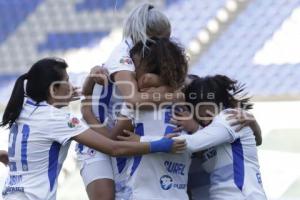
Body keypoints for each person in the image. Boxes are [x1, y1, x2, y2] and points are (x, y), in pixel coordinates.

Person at [0, 57, 186, 200]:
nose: (72, 85)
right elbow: (114, 148)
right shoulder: (57, 119)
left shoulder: (23, 106)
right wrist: (161, 145)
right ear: (53, 90)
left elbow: (31, 148)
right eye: (66, 80)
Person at [78, 3, 182, 200]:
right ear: (146, 35)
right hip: (96, 136)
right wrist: (175, 94)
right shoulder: (122, 55)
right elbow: (134, 99)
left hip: (122, 132)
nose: (165, 45)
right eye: (162, 39)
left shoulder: (144, 53)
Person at [133, 75, 267, 199]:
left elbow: (192, 143)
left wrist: (140, 141)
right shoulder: (210, 131)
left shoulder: (230, 117)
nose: (204, 116)